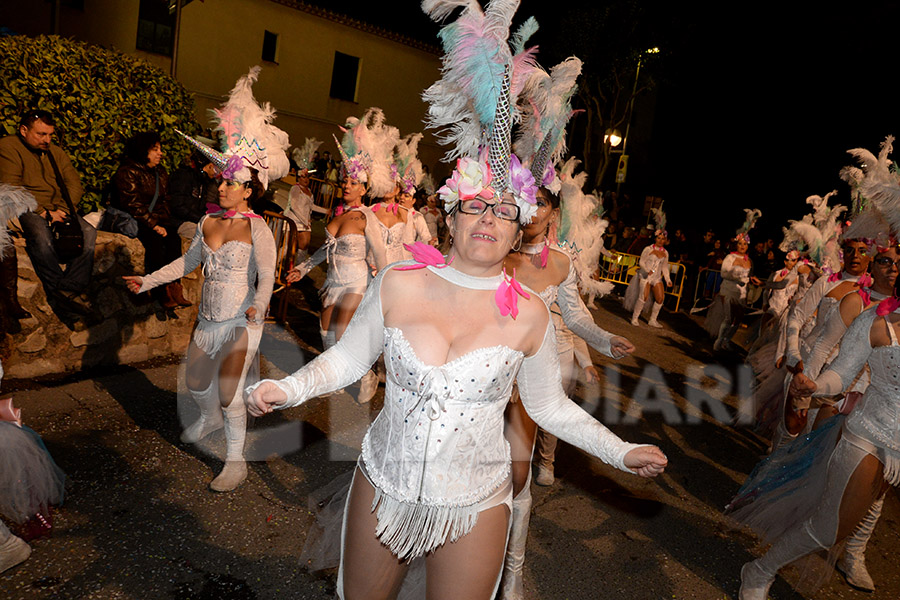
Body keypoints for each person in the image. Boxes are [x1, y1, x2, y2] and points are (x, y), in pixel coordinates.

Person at [246, 157, 666, 599]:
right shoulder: (396, 282)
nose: (489, 217)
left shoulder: (530, 313)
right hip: (385, 483)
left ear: (517, 229)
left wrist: (621, 451)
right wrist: (288, 389)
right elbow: (346, 360)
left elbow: (549, 406)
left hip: (476, 499)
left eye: (504, 210)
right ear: (450, 217)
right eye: (475, 205)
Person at [127, 67, 284, 492]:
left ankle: (236, 461)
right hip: (209, 321)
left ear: (249, 189)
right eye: (222, 181)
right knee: (197, 384)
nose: (222, 187)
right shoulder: (206, 220)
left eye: (231, 183)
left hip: (241, 321)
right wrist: (148, 280)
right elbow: (186, 264)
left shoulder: (259, 229)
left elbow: (267, 275)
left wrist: (259, 306)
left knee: (231, 392)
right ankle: (209, 417)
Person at [285, 109, 391, 404]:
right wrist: (303, 269)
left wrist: (386, 287)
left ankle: (365, 374)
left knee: (342, 331)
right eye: (345, 181)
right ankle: (339, 375)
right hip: (332, 281)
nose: (346, 186)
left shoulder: (367, 217)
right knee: (325, 330)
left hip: (357, 282)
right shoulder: (337, 214)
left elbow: (381, 254)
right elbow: (325, 250)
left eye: (353, 183)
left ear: (365, 188)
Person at [0, 110, 96, 316]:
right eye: (41, 134)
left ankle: (67, 288)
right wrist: (43, 211)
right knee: (41, 238)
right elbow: (10, 186)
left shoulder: (55, 152)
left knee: (88, 232)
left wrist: (61, 209)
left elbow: (74, 185)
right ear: (24, 130)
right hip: (27, 207)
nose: (47, 140)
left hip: (58, 207)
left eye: (50, 134)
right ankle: (63, 293)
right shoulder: (8, 147)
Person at [112, 131, 190, 309]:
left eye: (160, 149)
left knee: (173, 240)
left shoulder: (160, 172)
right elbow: (132, 204)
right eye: (155, 149)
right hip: (136, 220)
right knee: (155, 244)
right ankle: (159, 290)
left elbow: (166, 200)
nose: (160, 153)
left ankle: (174, 285)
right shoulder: (127, 172)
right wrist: (154, 225)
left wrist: (162, 222)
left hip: (155, 220)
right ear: (143, 150)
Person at [625, 210, 671, 328]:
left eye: (663, 239)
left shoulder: (665, 253)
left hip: (656, 277)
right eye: (659, 238)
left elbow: (664, 267)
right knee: (643, 297)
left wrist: (668, 279)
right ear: (655, 238)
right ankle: (635, 317)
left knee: (660, 298)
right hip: (645, 275)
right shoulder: (648, 249)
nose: (661, 240)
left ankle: (653, 320)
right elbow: (641, 261)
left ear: (665, 240)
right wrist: (646, 270)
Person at [168, 149, 219, 238]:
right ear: (210, 166)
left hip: (193, 221)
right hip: (178, 222)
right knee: (208, 236)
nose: (217, 173)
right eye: (216, 168)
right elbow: (178, 206)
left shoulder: (204, 181)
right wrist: (201, 219)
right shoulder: (184, 176)